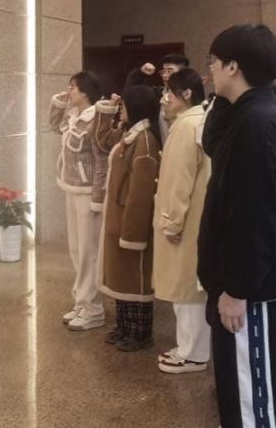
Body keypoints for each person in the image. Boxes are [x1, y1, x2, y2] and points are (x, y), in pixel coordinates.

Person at [198, 24, 276, 428]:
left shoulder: (258, 122)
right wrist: (224, 98)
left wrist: (237, 288)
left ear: (233, 66)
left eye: (214, 62)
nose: (209, 69)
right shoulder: (251, 110)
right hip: (244, 282)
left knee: (250, 395)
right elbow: (213, 143)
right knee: (238, 388)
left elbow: (256, 216)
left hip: (251, 290)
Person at [92, 85, 163, 352]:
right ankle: (124, 326)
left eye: (124, 105)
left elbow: (141, 193)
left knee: (135, 279)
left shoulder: (145, 141)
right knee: (121, 278)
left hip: (130, 224)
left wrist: (133, 233)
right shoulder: (130, 135)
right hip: (118, 219)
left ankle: (140, 333)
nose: (121, 109)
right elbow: (101, 140)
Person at [153, 68, 211, 374]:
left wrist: (171, 222)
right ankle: (191, 348)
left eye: (169, 93)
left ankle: (193, 353)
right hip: (197, 216)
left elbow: (178, 180)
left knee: (185, 288)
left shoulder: (186, 126)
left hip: (186, 220)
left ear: (187, 94)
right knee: (190, 286)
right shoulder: (200, 120)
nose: (165, 99)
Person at [50, 71, 107, 332]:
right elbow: (54, 126)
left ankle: (93, 307)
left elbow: (101, 161)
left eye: (73, 87)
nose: (69, 90)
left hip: (88, 193)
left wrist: (98, 197)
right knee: (76, 249)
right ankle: (81, 301)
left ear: (85, 91)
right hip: (71, 187)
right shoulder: (73, 116)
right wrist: (58, 103)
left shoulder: (97, 118)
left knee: (89, 252)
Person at [157, 52, 191, 141]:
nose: (164, 75)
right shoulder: (160, 94)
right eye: (163, 71)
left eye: (169, 71)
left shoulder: (187, 97)